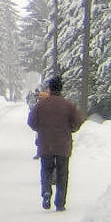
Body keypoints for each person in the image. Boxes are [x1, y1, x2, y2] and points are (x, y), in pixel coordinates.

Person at [27, 75, 85, 211]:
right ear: (61, 88)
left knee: (46, 170)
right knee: (62, 173)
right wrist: (70, 129)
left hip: (45, 144)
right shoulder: (68, 105)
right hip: (63, 144)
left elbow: (31, 121)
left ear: (50, 89)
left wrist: (41, 129)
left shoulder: (41, 105)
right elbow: (78, 121)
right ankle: (60, 203)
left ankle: (46, 191)